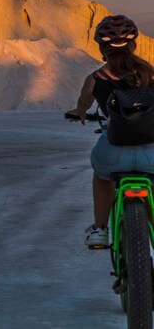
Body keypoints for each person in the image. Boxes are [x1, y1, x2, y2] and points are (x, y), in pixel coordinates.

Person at [67, 15, 154, 249]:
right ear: (133, 45)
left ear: (102, 48)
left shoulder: (94, 79)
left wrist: (80, 112)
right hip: (151, 154)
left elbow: (82, 105)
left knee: (101, 175)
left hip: (114, 151)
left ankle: (100, 230)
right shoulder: (150, 74)